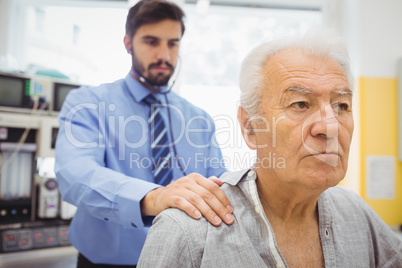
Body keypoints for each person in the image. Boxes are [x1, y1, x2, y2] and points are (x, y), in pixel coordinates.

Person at [137, 29, 402, 267]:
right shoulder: (188, 232)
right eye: (300, 104)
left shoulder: (356, 215)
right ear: (251, 128)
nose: (330, 127)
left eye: (341, 105)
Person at [54, 0, 234, 266]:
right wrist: (153, 198)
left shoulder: (199, 119)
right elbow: (76, 175)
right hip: (106, 262)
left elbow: (218, 187)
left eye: (172, 43)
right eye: (152, 42)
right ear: (128, 44)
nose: (165, 55)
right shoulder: (87, 103)